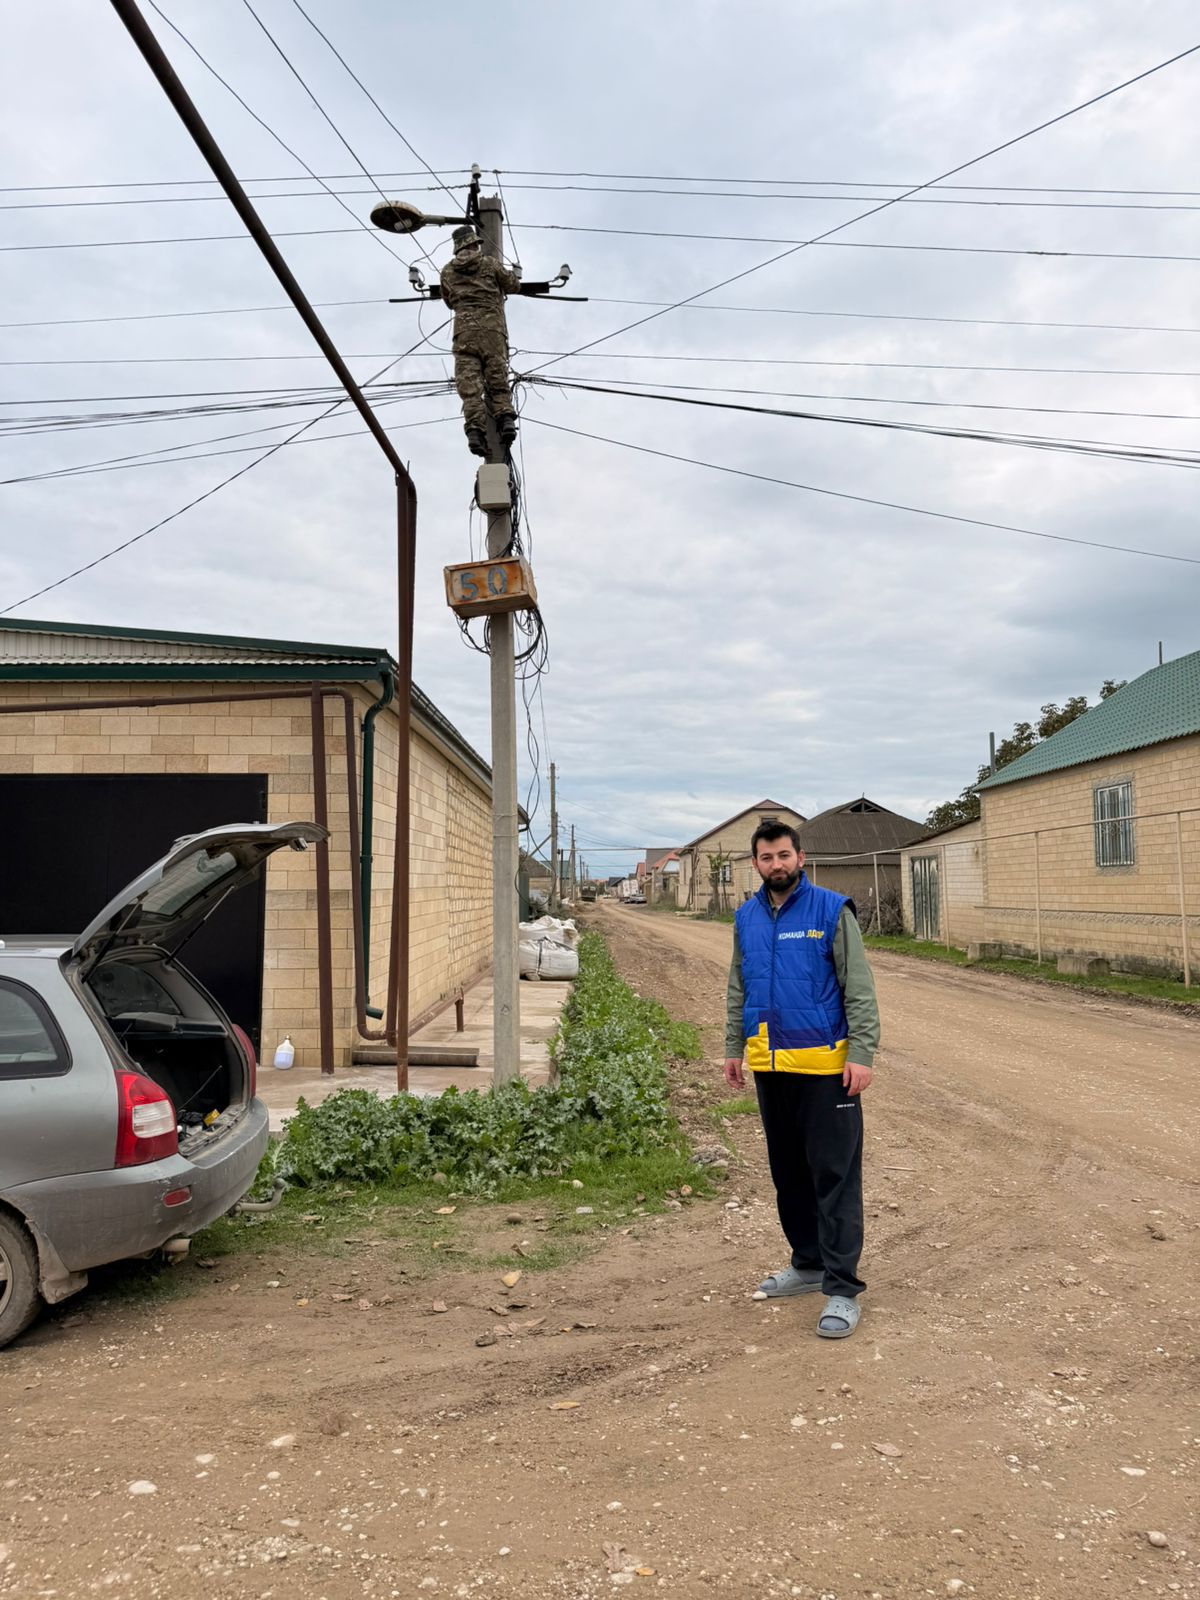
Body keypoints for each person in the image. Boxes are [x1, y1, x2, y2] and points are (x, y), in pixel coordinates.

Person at [723, 821, 880, 1339]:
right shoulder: (745, 917)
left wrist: (861, 1053)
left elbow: (858, 987)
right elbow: (739, 987)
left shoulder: (831, 911)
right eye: (767, 857)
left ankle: (842, 1288)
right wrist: (733, 1048)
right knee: (788, 1175)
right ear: (755, 864)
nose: (777, 865)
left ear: (801, 857)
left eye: (784, 855)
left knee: (834, 1178)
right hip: (771, 1068)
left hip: (826, 1070)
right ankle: (808, 1264)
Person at [439, 224, 522, 458]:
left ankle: (475, 431)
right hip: (492, 331)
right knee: (497, 378)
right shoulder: (490, 264)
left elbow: (449, 301)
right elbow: (513, 286)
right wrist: (514, 275)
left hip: (464, 333)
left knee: (470, 388)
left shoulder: (447, 271)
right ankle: (505, 420)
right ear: (474, 244)